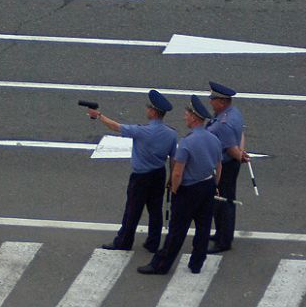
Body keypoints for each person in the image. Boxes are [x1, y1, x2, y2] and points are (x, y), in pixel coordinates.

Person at [138, 95, 222, 276]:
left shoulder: (187, 143)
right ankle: (197, 263)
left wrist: (175, 189)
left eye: (186, 114)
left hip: (188, 190)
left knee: (176, 231)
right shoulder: (214, 139)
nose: (185, 117)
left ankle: (161, 265)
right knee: (203, 227)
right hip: (207, 185)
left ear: (194, 117)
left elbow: (177, 172)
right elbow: (218, 165)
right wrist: (215, 184)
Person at [88, 90, 178, 252]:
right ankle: (153, 242)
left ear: (153, 112)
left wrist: (99, 115)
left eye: (148, 108)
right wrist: (171, 178)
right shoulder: (171, 134)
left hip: (140, 177)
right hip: (159, 174)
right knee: (155, 210)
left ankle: (124, 241)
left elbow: (116, 127)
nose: (146, 110)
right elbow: (173, 158)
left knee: (132, 210)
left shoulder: (141, 131)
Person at [206, 81, 250, 253]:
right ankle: (221, 233)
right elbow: (240, 135)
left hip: (225, 165)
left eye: (213, 99)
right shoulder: (234, 113)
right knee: (223, 200)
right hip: (230, 163)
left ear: (222, 102)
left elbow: (230, 148)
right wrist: (242, 152)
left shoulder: (223, 123)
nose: (211, 102)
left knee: (223, 201)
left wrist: (239, 155)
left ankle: (224, 240)